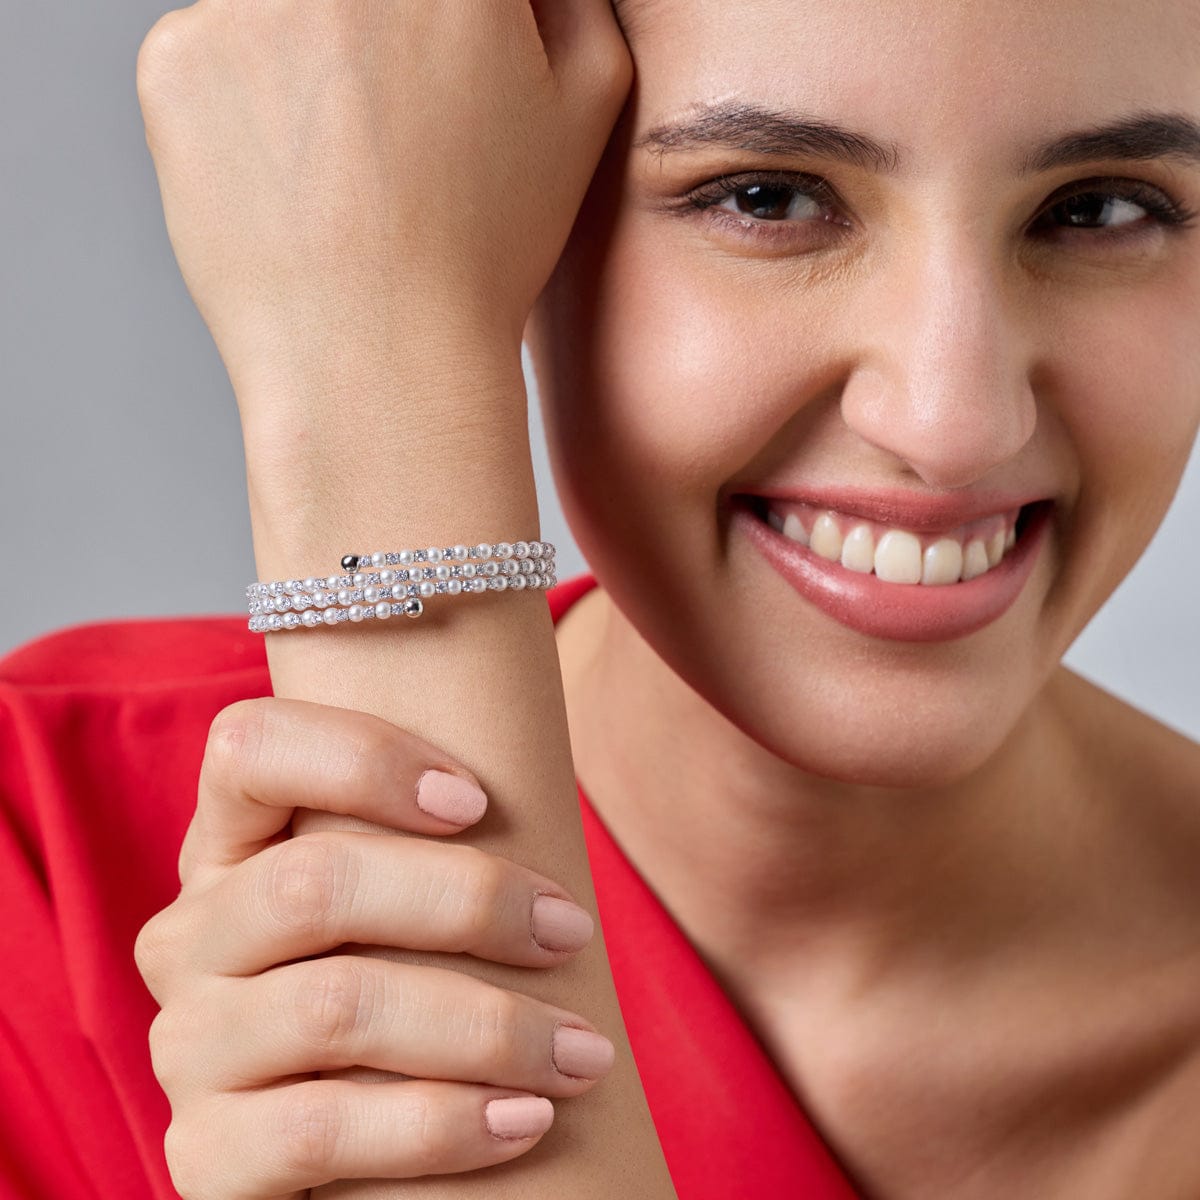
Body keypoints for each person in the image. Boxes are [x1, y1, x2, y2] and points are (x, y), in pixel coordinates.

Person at [2, 0, 1198, 1197]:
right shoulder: (46, 855)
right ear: (506, 210)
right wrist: (384, 334)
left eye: (1099, 209)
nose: (954, 422)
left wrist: (365, 370)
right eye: (768, 197)